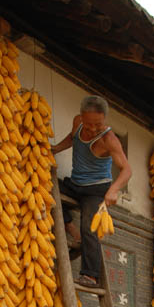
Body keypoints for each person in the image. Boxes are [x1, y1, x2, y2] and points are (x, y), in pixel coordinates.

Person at [51, 95, 131, 287]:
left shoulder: (110, 139)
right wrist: (55, 149)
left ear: (105, 119)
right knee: (46, 189)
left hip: (97, 190)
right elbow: (72, 138)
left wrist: (113, 190)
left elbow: (127, 170)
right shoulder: (77, 123)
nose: (94, 128)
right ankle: (71, 229)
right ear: (81, 117)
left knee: (89, 228)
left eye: (99, 124)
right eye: (89, 124)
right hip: (76, 183)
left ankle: (90, 275)